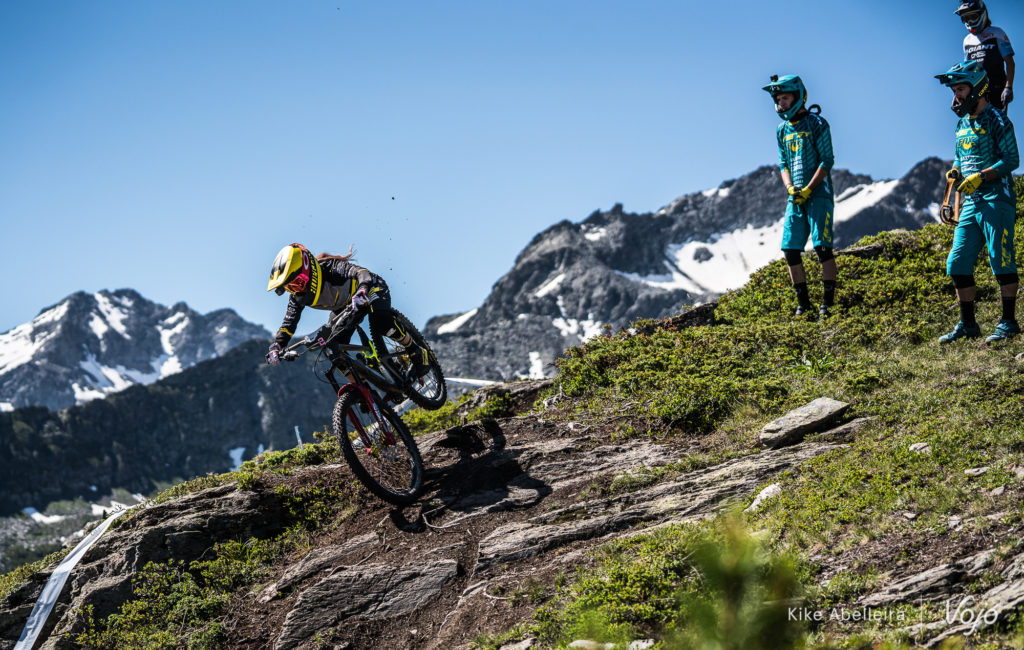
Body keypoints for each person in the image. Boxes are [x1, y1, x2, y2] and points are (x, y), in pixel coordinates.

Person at [935, 60, 1020, 343]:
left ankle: (1009, 323)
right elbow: (960, 157)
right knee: (957, 263)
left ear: (977, 88)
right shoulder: (961, 124)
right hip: (970, 202)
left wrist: (981, 177)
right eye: (954, 91)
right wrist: (956, 173)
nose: (955, 96)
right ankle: (968, 325)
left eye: (960, 89)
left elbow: (1012, 159)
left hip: (998, 198)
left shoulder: (998, 119)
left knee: (1001, 257)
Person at [264, 243, 431, 374]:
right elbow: (288, 324)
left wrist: (362, 289)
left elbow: (361, 272)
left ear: (308, 268)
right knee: (332, 349)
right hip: (345, 307)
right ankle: (365, 393)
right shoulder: (297, 298)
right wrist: (277, 346)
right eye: (290, 288)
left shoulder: (329, 267)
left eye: (298, 283)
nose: (296, 290)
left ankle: (415, 349)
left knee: (381, 322)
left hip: (369, 288)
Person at [762, 74, 837, 319]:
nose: (781, 103)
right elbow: (783, 162)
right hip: (795, 198)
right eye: (778, 99)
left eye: (785, 97)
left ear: (798, 96)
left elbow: (827, 160)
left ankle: (828, 303)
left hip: (819, 195)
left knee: (822, 247)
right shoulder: (781, 130)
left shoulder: (817, 123)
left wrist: (809, 188)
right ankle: (803, 304)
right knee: (791, 250)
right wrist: (790, 188)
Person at [956, 0, 1015, 110]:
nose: (969, 21)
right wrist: (959, 94)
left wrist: (1008, 87)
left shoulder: (997, 33)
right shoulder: (967, 41)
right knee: (977, 126)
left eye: (972, 16)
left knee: (996, 124)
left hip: (997, 89)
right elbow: (967, 71)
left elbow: (1010, 62)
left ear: (982, 14)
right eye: (965, 18)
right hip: (976, 92)